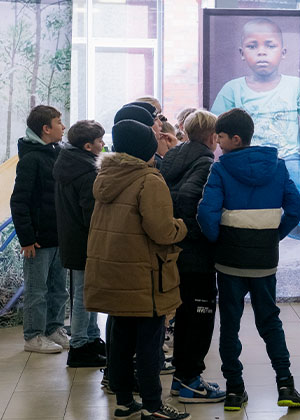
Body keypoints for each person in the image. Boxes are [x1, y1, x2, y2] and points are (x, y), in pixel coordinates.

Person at [197, 108, 300, 412]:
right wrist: (273, 235)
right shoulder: (277, 166)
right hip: (264, 261)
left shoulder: (220, 170)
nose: (216, 143)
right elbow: (296, 208)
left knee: (230, 325)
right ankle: (286, 386)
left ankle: (234, 390)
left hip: (229, 261)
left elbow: (206, 214)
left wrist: (218, 240)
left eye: (219, 137)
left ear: (234, 138)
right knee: (270, 321)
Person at [85, 116, 190, 420]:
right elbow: (162, 231)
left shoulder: (106, 176)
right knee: (148, 343)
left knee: (119, 339)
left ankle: (123, 401)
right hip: (144, 274)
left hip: (114, 271)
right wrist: (182, 227)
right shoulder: (148, 179)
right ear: (145, 148)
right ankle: (154, 407)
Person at [210, 18, 300, 241]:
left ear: (282, 52)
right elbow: (217, 134)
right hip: (247, 159)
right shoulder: (232, 89)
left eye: (270, 46)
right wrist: (215, 169)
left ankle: (292, 232)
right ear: (242, 52)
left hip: (287, 158)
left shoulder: (297, 86)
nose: (261, 52)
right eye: (253, 46)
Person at [159, 110, 226, 403]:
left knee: (185, 315)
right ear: (213, 137)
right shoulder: (204, 162)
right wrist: (199, 233)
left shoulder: (173, 157)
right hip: (195, 255)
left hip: (174, 252)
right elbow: (188, 197)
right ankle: (189, 381)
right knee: (199, 318)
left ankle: (182, 379)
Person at [10, 105, 69, 354]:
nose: (63, 126)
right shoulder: (31, 159)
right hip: (37, 240)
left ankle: (54, 328)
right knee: (37, 290)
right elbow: (19, 201)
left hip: (58, 236)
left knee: (59, 289)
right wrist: (26, 238)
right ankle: (33, 335)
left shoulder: (56, 152)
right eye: (58, 122)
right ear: (46, 129)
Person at [53, 120, 107, 367]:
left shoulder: (68, 164)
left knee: (87, 292)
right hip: (86, 240)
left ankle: (92, 338)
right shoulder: (86, 173)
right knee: (85, 295)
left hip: (73, 239)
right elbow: (92, 213)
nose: (103, 145)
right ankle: (79, 347)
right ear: (88, 146)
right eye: (99, 141)